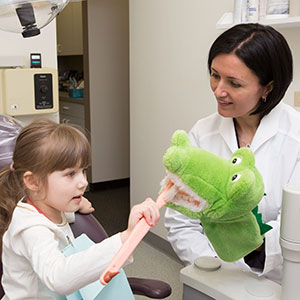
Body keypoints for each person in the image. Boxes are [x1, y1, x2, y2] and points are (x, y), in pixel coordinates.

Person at [165, 23, 300, 283]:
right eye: (215, 75)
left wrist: (257, 247)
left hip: (283, 282)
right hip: (216, 279)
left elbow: (294, 227)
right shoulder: (202, 134)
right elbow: (181, 221)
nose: (218, 91)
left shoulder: (295, 137)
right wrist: (217, 269)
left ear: (268, 88)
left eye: (234, 83)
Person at [0, 119, 160, 299]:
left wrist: (75, 205)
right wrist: (125, 237)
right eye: (70, 174)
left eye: (83, 170)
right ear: (33, 181)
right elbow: (58, 278)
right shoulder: (31, 230)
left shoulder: (46, 206)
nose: (84, 182)